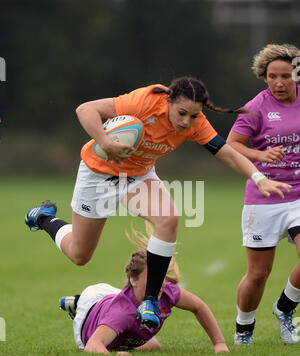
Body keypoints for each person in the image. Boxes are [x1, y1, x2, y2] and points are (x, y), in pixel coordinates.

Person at [25, 76, 290, 331]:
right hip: (98, 175)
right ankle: (44, 217)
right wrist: (106, 143)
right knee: (80, 255)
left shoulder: (196, 123)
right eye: (182, 113)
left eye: (194, 115)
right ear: (170, 102)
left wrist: (258, 178)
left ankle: (150, 300)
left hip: (137, 175)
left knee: (168, 218)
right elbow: (85, 109)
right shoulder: (146, 101)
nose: (187, 122)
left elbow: (228, 154)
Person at [226, 43, 300, 345]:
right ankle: (244, 326)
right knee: (258, 274)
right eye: (272, 76)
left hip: (298, 194)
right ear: (264, 76)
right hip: (264, 198)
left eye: (285, 76)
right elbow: (231, 145)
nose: (279, 83)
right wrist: (260, 154)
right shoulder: (256, 107)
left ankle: (285, 309)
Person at [59, 225, 230, 355]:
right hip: (90, 308)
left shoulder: (165, 290)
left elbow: (198, 306)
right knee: (119, 326)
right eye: (152, 278)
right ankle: (77, 303)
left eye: (160, 276)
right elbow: (92, 346)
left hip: (114, 297)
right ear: (133, 280)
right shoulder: (122, 313)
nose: (159, 283)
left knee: (153, 346)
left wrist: (219, 343)